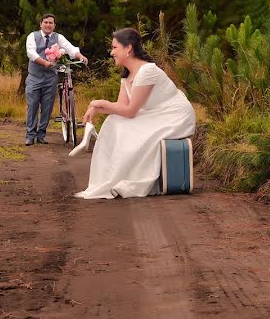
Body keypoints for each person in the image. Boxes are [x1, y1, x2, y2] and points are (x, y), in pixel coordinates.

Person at [74, 28, 196, 199]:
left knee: (133, 131)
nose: (111, 52)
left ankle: (129, 180)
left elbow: (130, 112)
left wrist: (98, 103)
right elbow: (120, 106)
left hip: (174, 116)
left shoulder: (147, 71)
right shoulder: (128, 75)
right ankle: (109, 178)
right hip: (155, 114)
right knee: (113, 121)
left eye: (115, 48)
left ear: (128, 48)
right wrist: (95, 108)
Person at [25, 13, 88, 146]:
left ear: (54, 25)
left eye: (51, 23)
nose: (48, 25)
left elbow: (70, 48)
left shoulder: (58, 37)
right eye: (46, 22)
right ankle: (30, 135)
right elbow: (31, 53)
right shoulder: (33, 36)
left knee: (47, 107)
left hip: (50, 78)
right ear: (41, 24)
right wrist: (44, 62)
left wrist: (80, 56)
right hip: (34, 77)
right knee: (33, 105)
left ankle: (41, 135)